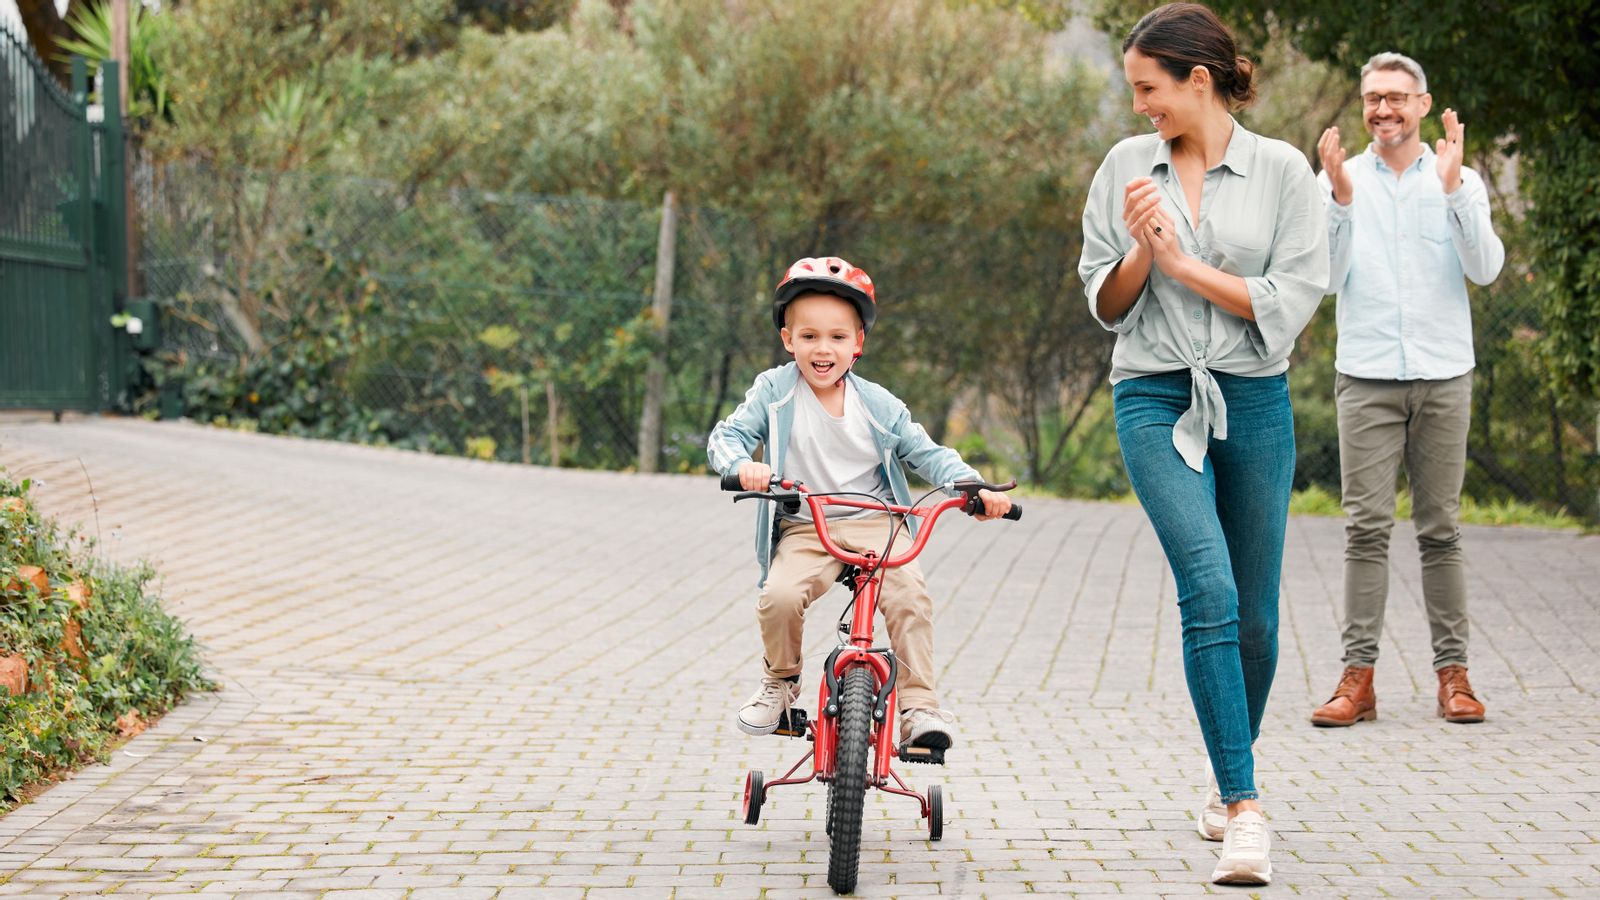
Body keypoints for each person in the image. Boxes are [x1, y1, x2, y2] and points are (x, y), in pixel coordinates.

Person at [1077, 3, 1328, 886]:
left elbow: (1292, 298)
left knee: (1256, 620)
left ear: (1199, 79)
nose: (1139, 105)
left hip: (1253, 401)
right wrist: (1145, 254)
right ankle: (1245, 807)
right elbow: (1105, 303)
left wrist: (1184, 264)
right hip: (1153, 396)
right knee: (1210, 589)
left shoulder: (1284, 171)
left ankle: (1226, 780)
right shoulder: (1124, 166)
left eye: (1149, 87)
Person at [707, 256, 1011, 754]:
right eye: (809, 336)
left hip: (877, 522)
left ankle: (919, 708)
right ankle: (780, 683)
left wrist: (973, 488)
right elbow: (728, 436)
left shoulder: (878, 404)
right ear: (788, 339)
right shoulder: (774, 391)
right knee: (779, 596)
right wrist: (741, 465)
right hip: (807, 523)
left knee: (910, 599)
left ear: (858, 343)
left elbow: (927, 453)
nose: (822, 349)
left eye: (837, 337)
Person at [1309, 52, 1504, 729]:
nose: (1383, 108)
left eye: (1396, 96)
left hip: (1444, 374)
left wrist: (1452, 194)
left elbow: (1485, 268)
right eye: (1373, 97)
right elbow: (1325, 281)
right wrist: (1339, 202)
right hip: (1366, 377)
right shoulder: (1340, 178)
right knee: (1365, 529)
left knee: (1440, 529)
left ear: (1422, 105)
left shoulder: (1461, 178)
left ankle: (1455, 677)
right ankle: (1357, 681)